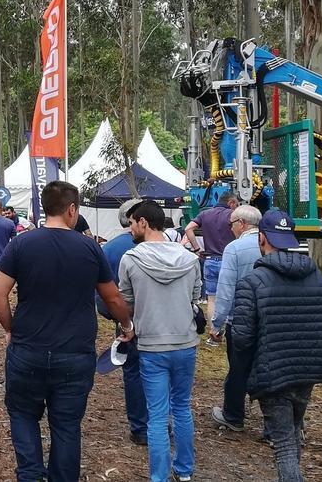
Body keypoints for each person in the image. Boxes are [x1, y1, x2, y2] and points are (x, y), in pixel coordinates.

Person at [0, 181, 135, 482]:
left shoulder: (21, 243)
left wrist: (9, 329)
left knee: (23, 414)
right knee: (67, 425)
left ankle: (30, 474)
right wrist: (126, 326)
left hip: (27, 348)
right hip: (74, 352)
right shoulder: (90, 248)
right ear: (72, 209)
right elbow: (113, 298)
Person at [230, 210, 322, 482]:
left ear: (262, 239)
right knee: (292, 433)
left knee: (283, 443)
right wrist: (311, 347)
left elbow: (242, 339)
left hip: (272, 372)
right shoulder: (317, 278)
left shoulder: (252, 283)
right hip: (308, 370)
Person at [117, 200, 201, 482]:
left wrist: (127, 327)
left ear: (143, 222)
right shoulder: (189, 259)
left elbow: (125, 303)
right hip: (185, 343)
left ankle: (159, 476)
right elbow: (195, 300)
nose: (129, 230)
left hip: (151, 345)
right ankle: (185, 470)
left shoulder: (131, 259)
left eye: (131, 223)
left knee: (156, 415)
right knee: (182, 407)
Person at [97, 198, 148, 445]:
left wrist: (116, 318)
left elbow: (100, 292)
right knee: (162, 371)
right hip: (164, 321)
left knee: (133, 371)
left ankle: (140, 427)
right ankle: (163, 423)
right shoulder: (165, 245)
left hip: (127, 319)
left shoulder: (110, 249)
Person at [210, 203, 264, 432]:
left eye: (232, 223)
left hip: (240, 319)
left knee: (238, 369)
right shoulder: (270, 244)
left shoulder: (234, 248)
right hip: (269, 318)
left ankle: (233, 415)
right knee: (266, 367)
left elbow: (225, 289)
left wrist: (217, 323)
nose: (230, 228)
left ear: (241, 224)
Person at [184, 191, 240, 323]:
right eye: (236, 205)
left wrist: (197, 248)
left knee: (212, 299)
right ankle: (230, 326)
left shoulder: (205, 214)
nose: (237, 208)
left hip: (210, 261)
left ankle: (214, 331)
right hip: (228, 261)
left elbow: (188, 228)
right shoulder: (233, 215)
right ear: (230, 203)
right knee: (231, 296)